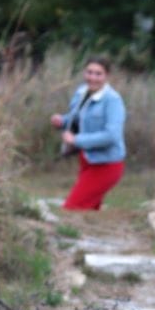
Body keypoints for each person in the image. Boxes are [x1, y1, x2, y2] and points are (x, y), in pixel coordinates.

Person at [50, 58, 127, 211]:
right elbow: (78, 119)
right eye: (89, 72)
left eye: (98, 74)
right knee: (89, 211)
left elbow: (112, 136)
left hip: (107, 164)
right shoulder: (81, 92)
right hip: (87, 161)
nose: (92, 78)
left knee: (71, 209)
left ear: (106, 76)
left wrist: (76, 140)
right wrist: (62, 121)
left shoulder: (113, 100)